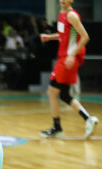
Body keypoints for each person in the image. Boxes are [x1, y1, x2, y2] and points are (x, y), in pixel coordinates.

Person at [40, 0, 98, 139]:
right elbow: (63, 35)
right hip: (65, 57)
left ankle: (57, 128)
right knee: (64, 95)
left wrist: (72, 55)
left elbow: (85, 37)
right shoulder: (62, 14)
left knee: (52, 92)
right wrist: (50, 37)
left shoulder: (72, 15)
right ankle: (87, 119)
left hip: (68, 58)